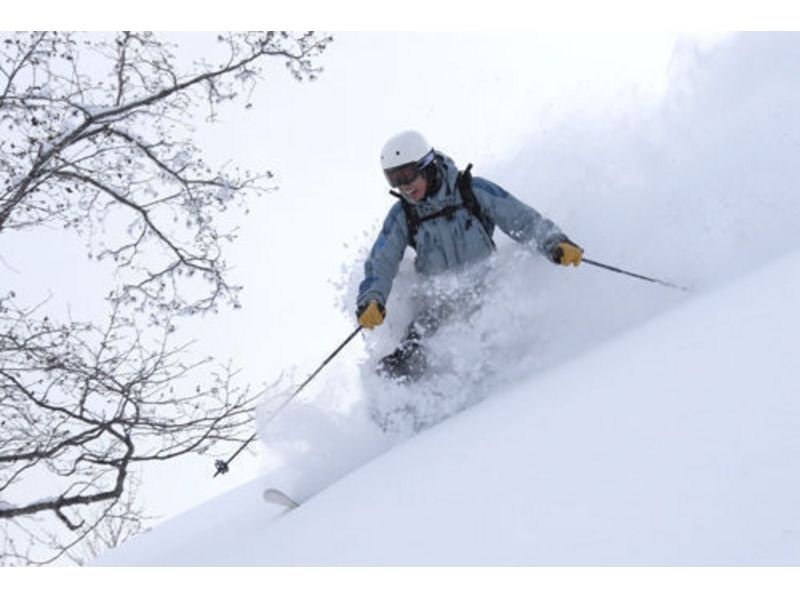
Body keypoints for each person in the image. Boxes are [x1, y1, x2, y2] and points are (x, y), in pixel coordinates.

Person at [356, 130, 583, 382]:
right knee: (404, 359)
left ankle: (512, 384)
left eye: (407, 174)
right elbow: (381, 261)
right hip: (437, 306)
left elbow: (522, 221)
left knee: (493, 341)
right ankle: (404, 407)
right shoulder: (402, 215)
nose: (404, 186)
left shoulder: (471, 191)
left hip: (486, 292)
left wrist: (554, 244)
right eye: (394, 179)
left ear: (427, 165)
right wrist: (372, 300)